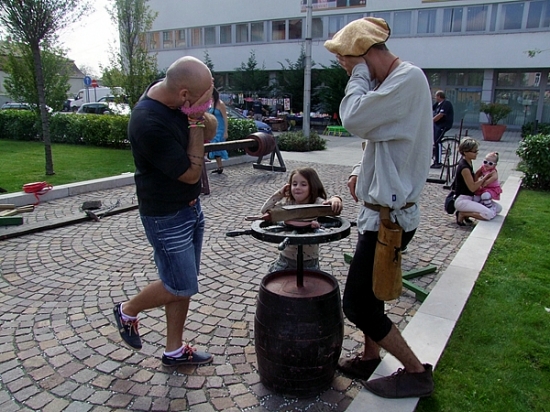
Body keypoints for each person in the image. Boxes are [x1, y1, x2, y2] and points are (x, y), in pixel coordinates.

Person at [324, 17, 435, 398]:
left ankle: (417, 372)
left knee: (357, 304)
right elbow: (380, 137)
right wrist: (360, 170)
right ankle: (371, 356)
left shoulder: (408, 79)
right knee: (370, 294)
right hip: (380, 215)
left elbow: (355, 118)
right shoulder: (392, 83)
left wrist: (358, 74)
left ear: (364, 54)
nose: (346, 71)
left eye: (347, 63)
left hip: (391, 220)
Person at [113, 56, 215, 367]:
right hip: (166, 216)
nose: (207, 103)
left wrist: (201, 114)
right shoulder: (147, 122)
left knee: (181, 282)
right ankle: (127, 311)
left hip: (191, 209)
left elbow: (210, 132)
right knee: (180, 285)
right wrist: (195, 121)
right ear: (184, 94)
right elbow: (191, 174)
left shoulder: (176, 99)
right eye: (203, 97)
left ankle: (174, 349)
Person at [260, 167, 343, 272]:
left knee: (312, 281)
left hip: (309, 259)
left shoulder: (317, 203)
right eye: (294, 184)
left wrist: (336, 199)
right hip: (286, 257)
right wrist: (280, 194)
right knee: (274, 278)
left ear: (312, 187)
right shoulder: (288, 203)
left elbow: (332, 209)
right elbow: (264, 210)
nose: (298, 187)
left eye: (303, 184)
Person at [454, 139, 502, 226]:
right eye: (474, 151)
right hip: (462, 199)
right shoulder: (464, 167)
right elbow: (472, 187)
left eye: (477, 151)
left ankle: (467, 213)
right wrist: (485, 178)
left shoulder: (469, 162)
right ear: (465, 152)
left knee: (498, 208)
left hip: (471, 197)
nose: (476, 153)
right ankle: (462, 213)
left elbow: (476, 176)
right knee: (489, 214)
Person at [207, 88, 229, 174]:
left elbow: (225, 118)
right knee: (214, 147)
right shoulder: (211, 103)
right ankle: (220, 166)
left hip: (220, 128)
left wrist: (225, 131)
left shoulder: (220, 104)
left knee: (217, 146)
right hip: (214, 128)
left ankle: (220, 166)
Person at [431, 90, 454, 168]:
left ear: (439, 96)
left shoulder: (446, 103)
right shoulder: (438, 104)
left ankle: (438, 162)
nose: (435, 98)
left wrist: (431, 120)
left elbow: (440, 115)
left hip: (443, 125)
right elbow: (430, 109)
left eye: (436, 96)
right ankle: (435, 160)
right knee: (435, 141)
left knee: (438, 142)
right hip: (437, 125)